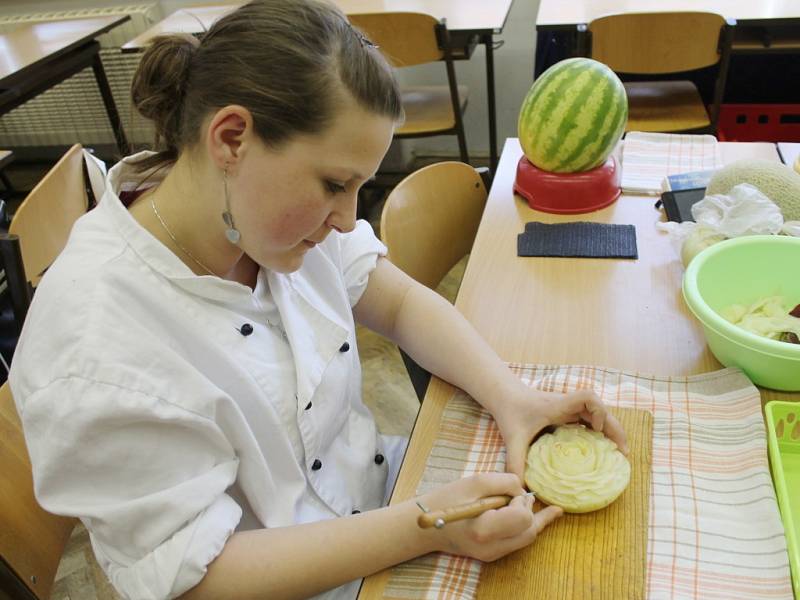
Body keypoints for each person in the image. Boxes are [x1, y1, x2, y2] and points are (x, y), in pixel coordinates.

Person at [9, 1, 628, 599]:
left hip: (381, 501)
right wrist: (426, 524)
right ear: (231, 138)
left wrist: (513, 397)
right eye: (335, 184)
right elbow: (198, 575)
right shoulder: (94, 344)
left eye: (360, 186)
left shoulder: (259, 212)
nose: (347, 218)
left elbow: (401, 306)